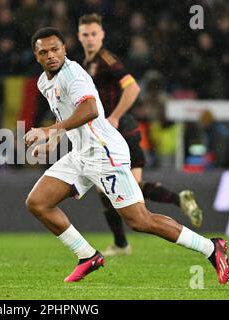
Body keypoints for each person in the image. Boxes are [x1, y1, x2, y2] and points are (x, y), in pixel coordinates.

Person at [24, 27, 229, 284]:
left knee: (140, 220)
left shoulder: (73, 75)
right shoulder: (45, 82)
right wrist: (53, 139)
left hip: (104, 154)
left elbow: (89, 111)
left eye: (55, 49)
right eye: (44, 52)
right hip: (81, 154)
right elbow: (66, 115)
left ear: (65, 49)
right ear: (36, 56)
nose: (51, 55)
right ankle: (87, 256)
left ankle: (211, 248)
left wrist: (48, 130)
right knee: (38, 202)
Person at [77, 13, 203, 256]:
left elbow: (133, 87)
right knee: (114, 187)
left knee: (119, 188)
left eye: (94, 34)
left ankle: (122, 244)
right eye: (85, 34)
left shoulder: (107, 60)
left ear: (102, 35)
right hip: (113, 132)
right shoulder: (87, 63)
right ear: (79, 36)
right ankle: (126, 240)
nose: (90, 39)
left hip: (121, 129)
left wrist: (114, 116)